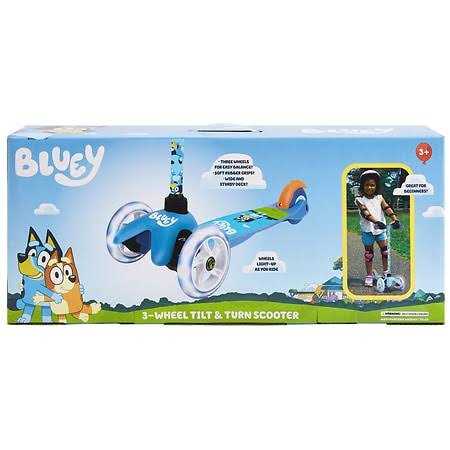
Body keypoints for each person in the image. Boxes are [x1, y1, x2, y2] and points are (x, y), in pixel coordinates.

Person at [354, 170, 401, 287]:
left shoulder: (379, 197)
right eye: (367, 185)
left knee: (385, 251)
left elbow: (386, 208)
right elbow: (365, 213)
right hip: (368, 231)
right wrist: (376, 222)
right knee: (369, 254)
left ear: (376, 186)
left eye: (372, 185)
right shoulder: (359, 200)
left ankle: (386, 272)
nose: (369, 187)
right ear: (362, 186)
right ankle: (369, 275)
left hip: (380, 231)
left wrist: (395, 219)